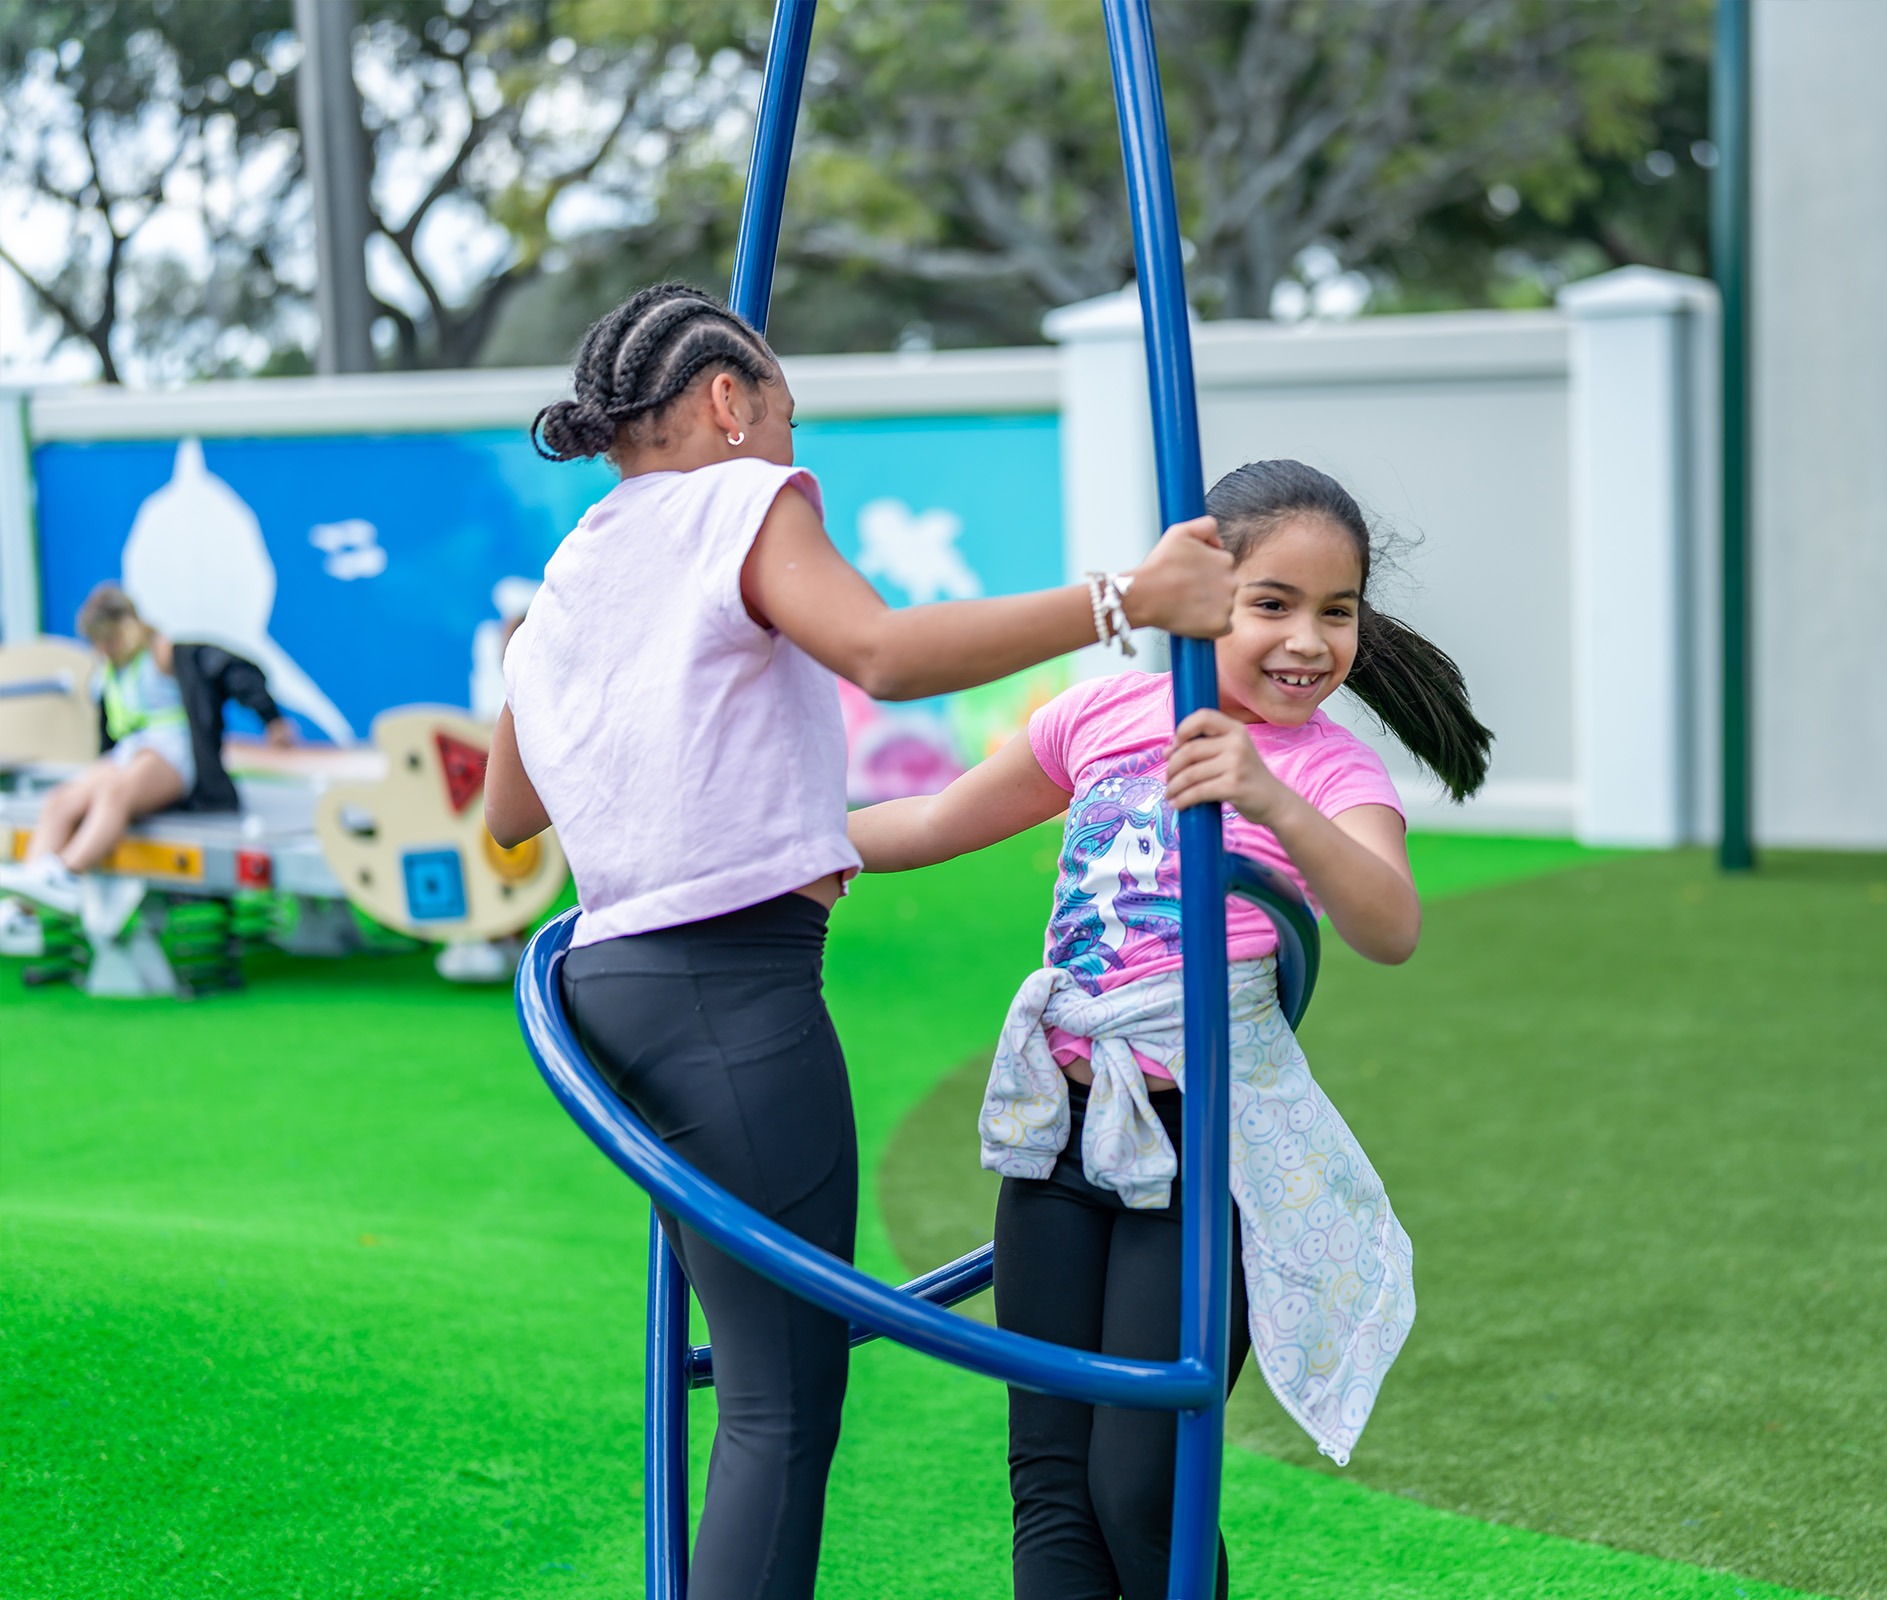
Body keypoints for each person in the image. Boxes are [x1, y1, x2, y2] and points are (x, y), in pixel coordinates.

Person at [481, 282, 1236, 1600]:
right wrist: (1131, 600)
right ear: (729, 402)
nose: (790, 448)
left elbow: (506, 815)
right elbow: (881, 653)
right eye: (785, 415)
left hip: (613, 985)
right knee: (780, 1410)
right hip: (730, 988)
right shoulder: (741, 498)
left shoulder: (575, 563)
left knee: (753, 1382)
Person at [848, 458, 1493, 1600]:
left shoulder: (1328, 766)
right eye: (1273, 604)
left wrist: (1267, 795)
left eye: (1335, 611)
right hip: (1062, 1131)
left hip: (1205, 1149)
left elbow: (1390, 924)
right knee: (1050, 1478)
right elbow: (934, 820)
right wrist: (767, 854)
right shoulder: (1099, 715)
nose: (1309, 640)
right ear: (1202, 596)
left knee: (1140, 1482)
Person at [0, 582, 295, 918]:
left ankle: (66, 873)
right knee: (59, 801)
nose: (103, 648)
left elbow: (234, 671)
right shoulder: (109, 668)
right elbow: (110, 732)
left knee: (113, 793)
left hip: (173, 753)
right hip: (132, 750)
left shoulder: (163, 653)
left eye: (107, 638)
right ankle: (24, 903)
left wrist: (271, 720)